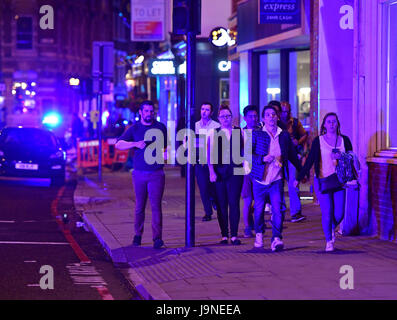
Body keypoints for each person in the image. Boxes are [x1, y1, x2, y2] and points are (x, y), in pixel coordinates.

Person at [294, 112, 352, 252]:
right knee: (327, 211)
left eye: (334, 121)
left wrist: (341, 156)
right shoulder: (318, 141)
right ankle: (329, 240)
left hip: (339, 181)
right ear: (324, 125)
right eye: (329, 121)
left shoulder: (345, 140)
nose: (332, 124)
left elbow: (351, 159)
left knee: (339, 213)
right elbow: (309, 160)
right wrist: (299, 177)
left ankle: (330, 228)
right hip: (322, 180)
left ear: (337, 123)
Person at [115, 100, 167, 249]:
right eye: (146, 111)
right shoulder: (134, 128)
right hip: (139, 173)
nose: (149, 114)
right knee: (139, 206)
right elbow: (118, 144)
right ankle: (137, 235)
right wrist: (135, 144)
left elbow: (166, 146)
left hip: (157, 173)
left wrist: (165, 154)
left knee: (156, 206)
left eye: (151, 111)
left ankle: (157, 238)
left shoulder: (160, 127)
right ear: (141, 112)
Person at [250, 105, 302, 252]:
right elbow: (247, 154)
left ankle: (276, 238)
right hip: (260, 179)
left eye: (273, 114)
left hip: (276, 179)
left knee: (278, 209)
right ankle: (259, 234)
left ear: (277, 117)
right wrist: (262, 158)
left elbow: (291, 155)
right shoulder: (256, 133)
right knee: (259, 210)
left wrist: (301, 171)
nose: (271, 117)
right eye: (268, 115)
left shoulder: (284, 135)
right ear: (263, 118)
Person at [208, 105, 244, 245]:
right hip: (219, 171)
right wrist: (211, 171)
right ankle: (224, 235)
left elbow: (244, 152)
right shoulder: (213, 132)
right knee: (221, 203)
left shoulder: (239, 131)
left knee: (234, 203)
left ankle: (234, 235)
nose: (225, 119)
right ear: (218, 118)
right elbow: (209, 153)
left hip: (236, 171)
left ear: (232, 117)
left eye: (228, 116)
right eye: (223, 116)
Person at [279, 101, 308, 222]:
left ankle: (295, 212)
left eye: (287, 111)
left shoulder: (295, 122)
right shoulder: (276, 122)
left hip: (292, 155)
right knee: (278, 184)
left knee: (293, 183)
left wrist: (298, 142)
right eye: (283, 111)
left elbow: (304, 135)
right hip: (279, 156)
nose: (285, 114)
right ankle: (279, 212)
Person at [195, 102, 220, 221]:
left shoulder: (216, 126)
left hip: (213, 160)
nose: (204, 111)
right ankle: (208, 212)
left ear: (211, 112)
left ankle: (214, 199)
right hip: (200, 161)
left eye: (207, 109)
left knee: (213, 185)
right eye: (202, 109)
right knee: (203, 187)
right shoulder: (195, 126)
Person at [241, 105, 260, 238]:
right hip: (245, 170)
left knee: (259, 200)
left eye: (255, 116)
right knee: (248, 200)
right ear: (245, 118)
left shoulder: (262, 132)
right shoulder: (240, 134)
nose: (253, 119)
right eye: (250, 116)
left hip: (260, 169)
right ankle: (247, 227)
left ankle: (256, 223)